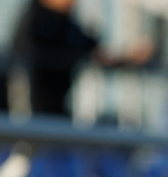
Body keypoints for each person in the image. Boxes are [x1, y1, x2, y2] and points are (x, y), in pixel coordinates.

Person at [9, 0, 148, 117]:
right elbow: (28, 58)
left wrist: (130, 56)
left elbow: (98, 53)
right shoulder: (33, 23)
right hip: (26, 117)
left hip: (56, 115)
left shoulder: (66, 25)